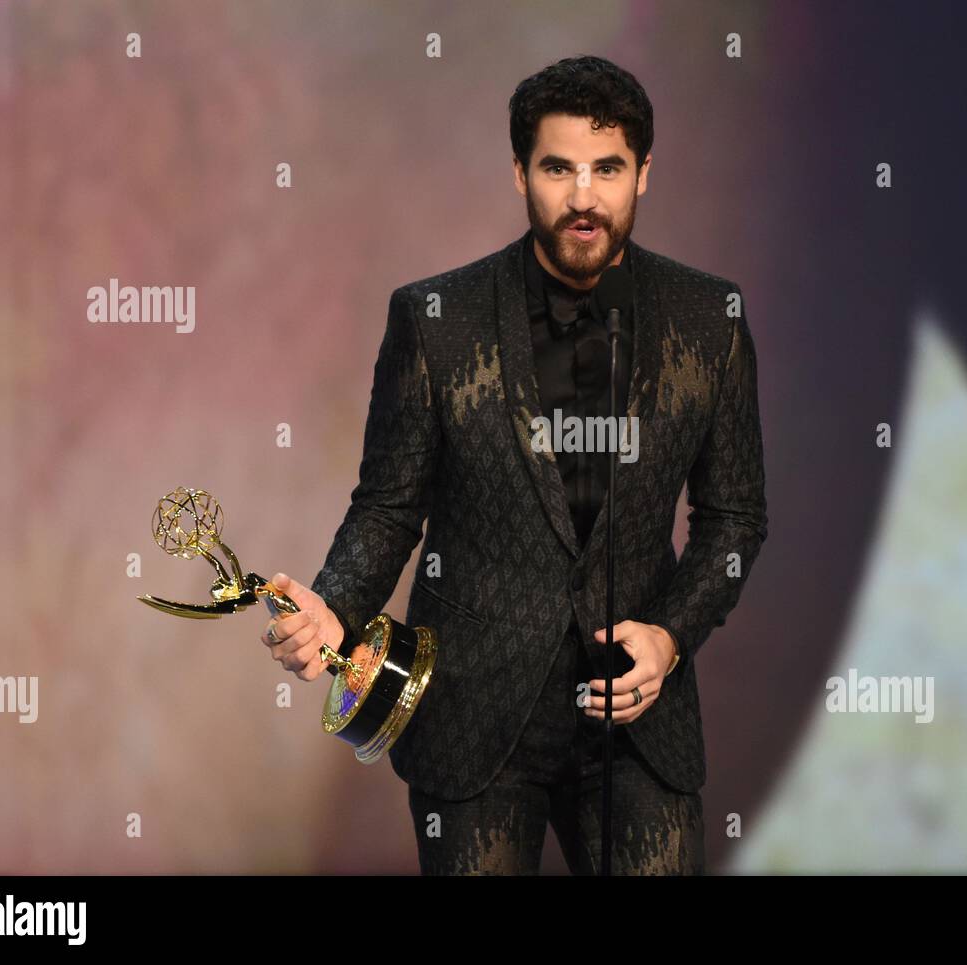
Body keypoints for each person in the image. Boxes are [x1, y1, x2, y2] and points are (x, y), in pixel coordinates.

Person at [259, 55, 767, 875]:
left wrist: (672, 637)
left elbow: (736, 517)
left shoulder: (712, 321)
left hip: (638, 718)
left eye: (607, 169)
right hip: (470, 712)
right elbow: (389, 505)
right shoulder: (435, 320)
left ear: (644, 174)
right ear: (519, 173)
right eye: (557, 168)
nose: (582, 198)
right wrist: (336, 605)